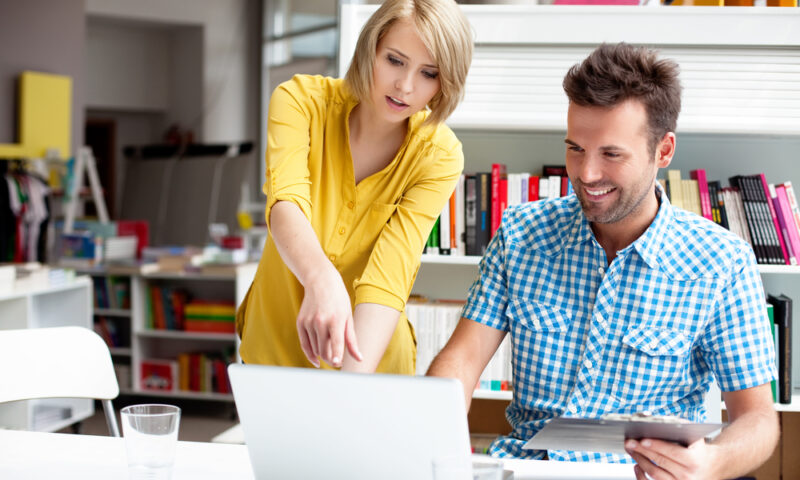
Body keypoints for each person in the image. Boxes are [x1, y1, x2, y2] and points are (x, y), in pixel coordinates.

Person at [427, 43, 779, 478]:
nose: (587, 173)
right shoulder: (521, 234)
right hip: (530, 468)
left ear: (663, 151)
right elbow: (461, 359)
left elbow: (758, 419)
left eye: (611, 154)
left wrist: (711, 462)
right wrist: (435, 441)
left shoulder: (721, 262)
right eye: (575, 148)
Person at [236, 0, 473, 374]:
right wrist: (321, 279)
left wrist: (350, 387)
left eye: (429, 73)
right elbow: (285, 205)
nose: (405, 86)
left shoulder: (439, 156)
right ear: (370, 49)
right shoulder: (300, 102)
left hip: (371, 360)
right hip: (275, 349)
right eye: (394, 60)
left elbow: (390, 272)